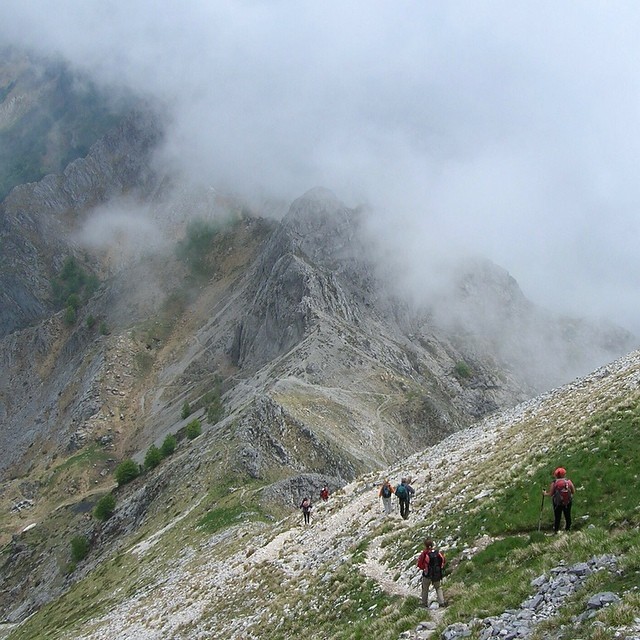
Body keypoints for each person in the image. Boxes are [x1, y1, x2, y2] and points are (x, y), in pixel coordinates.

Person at [543, 467, 576, 533]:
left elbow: (551, 494)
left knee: (557, 516)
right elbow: (573, 491)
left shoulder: (554, 483)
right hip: (567, 502)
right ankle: (568, 529)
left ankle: (556, 530)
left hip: (557, 503)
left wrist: (544, 493)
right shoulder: (568, 482)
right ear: (564, 474)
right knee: (567, 515)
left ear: (555, 475)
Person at [417, 539, 446, 607]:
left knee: (425, 588)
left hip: (427, 574)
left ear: (425, 545)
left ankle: (424, 603)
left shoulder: (424, 553)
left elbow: (419, 564)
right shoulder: (437, 553)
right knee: (438, 587)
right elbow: (443, 561)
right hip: (437, 574)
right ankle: (442, 602)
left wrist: (424, 568)